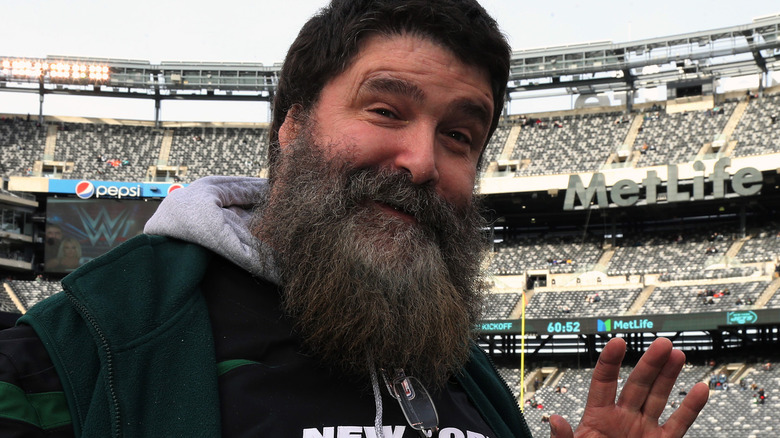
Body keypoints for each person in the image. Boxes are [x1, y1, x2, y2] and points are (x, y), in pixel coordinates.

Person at [0, 1, 708, 437]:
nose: (422, 160)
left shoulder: (462, 367)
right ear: (292, 125)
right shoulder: (82, 352)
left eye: (461, 136)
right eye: (386, 110)